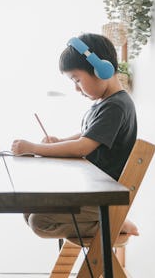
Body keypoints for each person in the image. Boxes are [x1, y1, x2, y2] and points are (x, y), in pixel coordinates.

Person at [11, 33, 139, 239]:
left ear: (102, 70)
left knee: (39, 221)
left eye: (77, 80)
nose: (76, 88)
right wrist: (61, 142)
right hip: (90, 189)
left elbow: (83, 147)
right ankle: (106, 222)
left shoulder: (116, 106)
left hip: (102, 198)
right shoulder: (105, 104)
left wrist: (33, 148)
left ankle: (114, 224)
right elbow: (88, 135)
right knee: (30, 207)